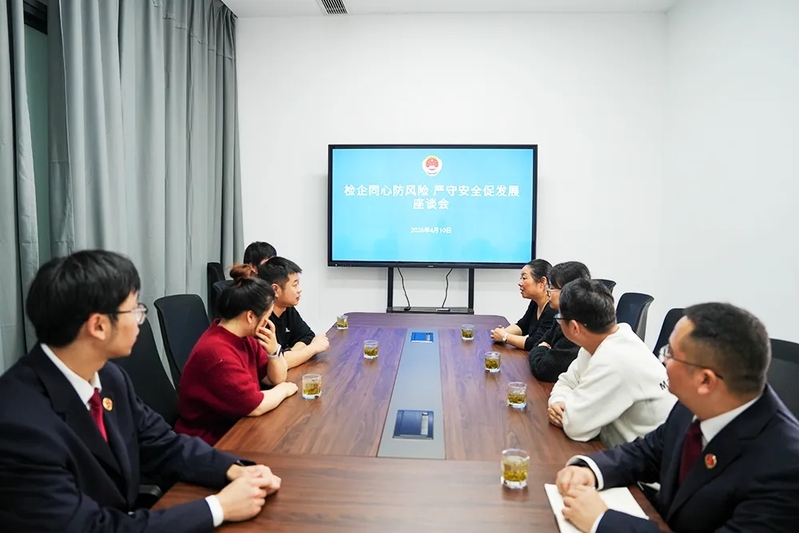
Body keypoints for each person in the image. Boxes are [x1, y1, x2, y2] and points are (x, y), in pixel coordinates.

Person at [0, 250, 283, 533]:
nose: (140, 318)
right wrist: (218, 507)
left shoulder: (109, 377)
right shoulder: (18, 425)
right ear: (98, 325)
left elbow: (162, 444)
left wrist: (236, 469)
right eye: (134, 309)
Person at [554, 302, 799, 533]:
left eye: (670, 353)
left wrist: (602, 521)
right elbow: (649, 453)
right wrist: (591, 470)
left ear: (705, 380)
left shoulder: (785, 469)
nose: (662, 360)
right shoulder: (693, 404)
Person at [176, 264, 298, 445]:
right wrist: (285, 390)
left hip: (235, 426)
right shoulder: (217, 353)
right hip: (208, 442)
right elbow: (256, 406)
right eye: (266, 317)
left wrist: (274, 351)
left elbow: (275, 378)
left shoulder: (244, 338)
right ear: (250, 316)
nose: (267, 323)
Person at [547, 279, 675, 447]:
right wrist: (558, 401)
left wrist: (568, 411)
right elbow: (567, 381)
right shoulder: (599, 343)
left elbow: (575, 426)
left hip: (651, 457)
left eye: (559, 317)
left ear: (575, 328)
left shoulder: (615, 359)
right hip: (621, 448)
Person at [257, 257, 329, 369]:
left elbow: (307, 336)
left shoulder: (287, 308)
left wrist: (290, 354)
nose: (300, 289)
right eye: (295, 285)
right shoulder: (261, 319)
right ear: (275, 290)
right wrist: (313, 348)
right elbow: (272, 364)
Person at [528, 261, 591, 382]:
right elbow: (538, 344)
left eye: (552, 288)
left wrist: (544, 347)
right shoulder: (562, 316)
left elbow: (543, 368)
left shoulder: (576, 325)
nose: (548, 292)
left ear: (569, 291)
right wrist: (544, 348)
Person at [490, 259, 557, 350]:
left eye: (524, 278)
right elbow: (522, 326)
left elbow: (536, 343)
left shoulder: (552, 308)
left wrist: (505, 337)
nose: (519, 283)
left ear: (542, 282)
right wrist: (500, 332)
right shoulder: (535, 302)